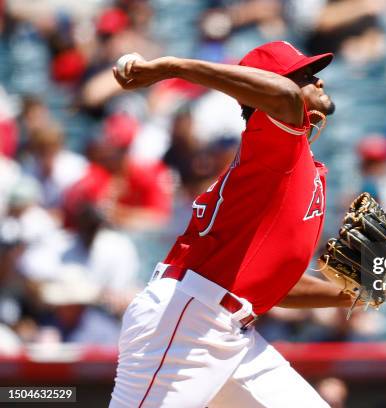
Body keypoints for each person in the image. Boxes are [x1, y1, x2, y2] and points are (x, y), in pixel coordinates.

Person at [109, 41, 358, 408]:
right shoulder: (277, 139)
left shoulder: (294, 161)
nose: (317, 83)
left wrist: (349, 293)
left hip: (229, 326)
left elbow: (274, 286)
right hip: (187, 320)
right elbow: (285, 96)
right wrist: (174, 66)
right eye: (305, 76)